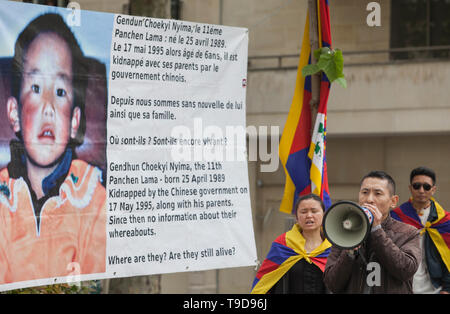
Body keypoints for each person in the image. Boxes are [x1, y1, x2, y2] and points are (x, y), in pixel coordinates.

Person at [0, 13, 106, 284]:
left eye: (60, 92)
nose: (48, 106)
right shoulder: (2, 200)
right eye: (36, 88)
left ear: (74, 122)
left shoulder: (93, 199)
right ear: (14, 113)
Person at [323, 170, 421, 293]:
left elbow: (405, 270)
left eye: (378, 193)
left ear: (393, 201)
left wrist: (377, 231)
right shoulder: (344, 233)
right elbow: (332, 284)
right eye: (365, 192)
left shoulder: (407, 233)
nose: (369, 199)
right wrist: (349, 252)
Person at [251, 193, 331, 294]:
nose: (309, 215)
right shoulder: (283, 245)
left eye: (314, 211)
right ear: (296, 217)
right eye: (303, 211)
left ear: (324, 214)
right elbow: (264, 283)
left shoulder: (334, 248)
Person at [391, 166, 450, 294]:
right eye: (416, 186)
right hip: (403, 286)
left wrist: (447, 288)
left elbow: (448, 255)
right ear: (410, 188)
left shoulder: (444, 221)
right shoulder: (396, 216)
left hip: (435, 288)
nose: (421, 190)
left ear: (433, 189)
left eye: (426, 187)